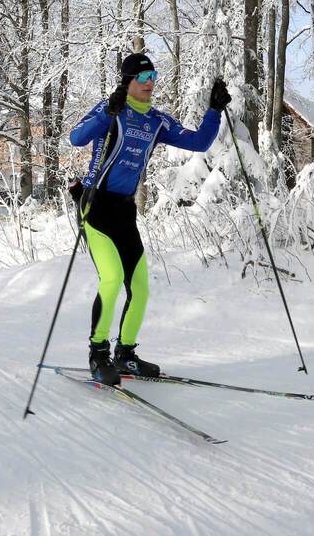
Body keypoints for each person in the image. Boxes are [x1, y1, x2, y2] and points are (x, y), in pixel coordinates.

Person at [69, 53, 231, 385]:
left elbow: (198, 141)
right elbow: (77, 138)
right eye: (142, 78)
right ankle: (98, 354)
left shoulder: (156, 120)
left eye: (153, 76)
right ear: (126, 82)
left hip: (124, 211)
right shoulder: (111, 108)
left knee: (140, 288)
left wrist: (214, 111)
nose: (149, 82)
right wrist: (109, 112)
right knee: (111, 279)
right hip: (95, 206)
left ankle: (125, 355)